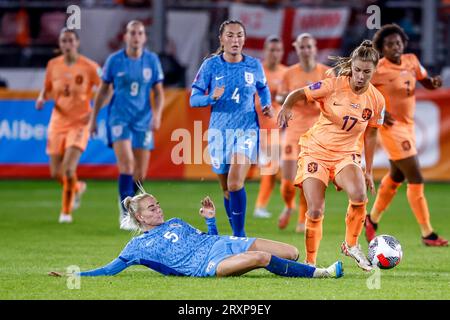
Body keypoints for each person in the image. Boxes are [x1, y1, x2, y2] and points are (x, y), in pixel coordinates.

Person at [48, 190, 343, 279]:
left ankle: (304, 268)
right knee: (264, 257)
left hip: (221, 244)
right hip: (206, 266)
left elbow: (204, 236)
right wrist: (76, 276)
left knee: (290, 251)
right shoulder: (137, 246)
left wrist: (212, 221)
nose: (159, 210)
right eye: (152, 209)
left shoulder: (176, 221)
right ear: (140, 217)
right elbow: (109, 269)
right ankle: (321, 274)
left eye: (158, 204)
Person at [278, 40, 385, 271]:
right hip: (316, 151)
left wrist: (368, 170)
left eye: (367, 72)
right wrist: (287, 106)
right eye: (357, 70)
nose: (360, 76)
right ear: (351, 67)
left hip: (346, 155)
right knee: (315, 209)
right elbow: (299, 93)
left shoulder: (377, 100)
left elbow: (371, 134)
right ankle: (310, 263)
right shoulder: (333, 85)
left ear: (374, 71)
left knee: (359, 195)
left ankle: (351, 245)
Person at [365, 24, 448, 246]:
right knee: (416, 176)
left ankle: (371, 219)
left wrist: (434, 83)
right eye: (390, 44)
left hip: (409, 126)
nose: (395, 47)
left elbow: (426, 82)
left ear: (404, 44)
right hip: (391, 128)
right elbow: (361, 92)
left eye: (398, 43)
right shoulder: (378, 69)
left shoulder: (411, 60)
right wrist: (380, 111)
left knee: (396, 176)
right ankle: (427, 233)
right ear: (382, 48)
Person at [189, 20, 273, 237]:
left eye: (239, 35)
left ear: (244, 39)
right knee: (227, 189)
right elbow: (194, 98)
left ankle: (239, 236)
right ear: (221, 39)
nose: (235, 40)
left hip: (246, 129)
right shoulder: (210, 66)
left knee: (235, 183)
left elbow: (263, 88)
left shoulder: (253, 65)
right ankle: (236, 235)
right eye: (230, 35)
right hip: (219, 132)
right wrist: (210, 97)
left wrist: (266, 105)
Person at [89, 20, 165, 229]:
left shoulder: (151, 60)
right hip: (118, 118)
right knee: (127, 165)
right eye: (132, 32)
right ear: (126, 36)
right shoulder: (114, 60)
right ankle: (125, 213)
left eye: (140, 33)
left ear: (144, 37)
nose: (136, 36)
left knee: (140, 173)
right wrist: (93, 118)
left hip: (143, 119)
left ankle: (132, 208)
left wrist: (157, 115)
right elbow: (103, 91)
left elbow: (158, 92)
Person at [36, 28, 101, 223]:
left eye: (70, 40)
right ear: (60, 44)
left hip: (80, 122)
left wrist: (93, 113)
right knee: (56, 172)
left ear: (77, 43)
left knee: (68, 169)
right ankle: (77, 187)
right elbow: (47, 88)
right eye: (63, 41)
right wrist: (41, 98)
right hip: (58, 121)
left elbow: (106, 89)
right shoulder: (52, 65)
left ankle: (66, 212)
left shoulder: (90, 67)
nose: (67, 44)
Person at [276, 33, 330, 233]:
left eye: (309, 46)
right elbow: (281, 97)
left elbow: (334, 98)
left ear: (315, 48)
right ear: (297, 49)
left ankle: (302, 218)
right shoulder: (289, 73)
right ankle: (289, 206)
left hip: (316, 133)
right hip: (293, 130)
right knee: (288, 182)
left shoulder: (326, 73)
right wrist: (295, 96)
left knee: (308, 178)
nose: (306, 50)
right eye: (302, 47)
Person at [253, 35, 287, 219]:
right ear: (265, 51)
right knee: (241, 168)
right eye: (272, 50)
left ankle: (260, 206)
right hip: (252, 128)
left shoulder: (286, 73)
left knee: (271, 167)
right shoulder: (257, 72)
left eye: (278, 50)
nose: (275, 54)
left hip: (274, 130)